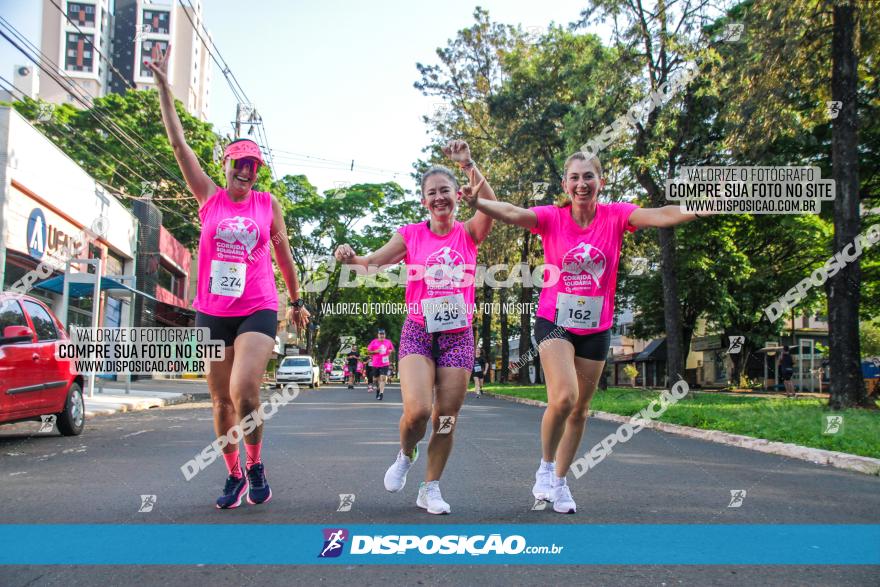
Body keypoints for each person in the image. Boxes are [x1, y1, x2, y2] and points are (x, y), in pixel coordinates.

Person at [460, 151, 703, 514]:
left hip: (597, 326)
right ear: (565, 185)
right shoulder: (551, 218)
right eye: (574, 178)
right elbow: (511, 212)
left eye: (588, 176)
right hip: (554, 320)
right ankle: (544, 468)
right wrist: (478, 200)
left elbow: (664, 215)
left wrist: (700, 206)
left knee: (581, 410)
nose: (581, 184)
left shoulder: (617, 215)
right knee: (564, 397)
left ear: (600, 182)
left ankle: (560, 482)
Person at [148, 46, 309, 509]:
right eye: (238, 163)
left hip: (257, 306)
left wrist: (295, 301)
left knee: (244, 390)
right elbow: (179, 145)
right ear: (226, 167)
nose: (244, 171)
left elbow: (283, 255)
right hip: (211, 311)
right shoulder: (209, 198)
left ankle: (256, 462)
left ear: (258, 171)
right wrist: (163, 86)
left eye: (252, 165)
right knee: (220, 402)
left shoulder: (267, 205)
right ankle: (235, 474)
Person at [334, 140, 496, 514]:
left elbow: (489, 203)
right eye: (431, 193)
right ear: (424, 201)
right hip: (419, 330)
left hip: (458, 334)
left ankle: (431, 487)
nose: (439, 198)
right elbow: (370, 263)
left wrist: (469, 163)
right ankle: (406, 454)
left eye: (445, 191)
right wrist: (350, 257)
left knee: (446, 417)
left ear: (458, 195)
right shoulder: (410, 235)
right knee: (419, 411)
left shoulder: (470, 232)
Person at [367, 328, 395, 400]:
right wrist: (375, 351)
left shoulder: (388, 342)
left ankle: (381, 393)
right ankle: (378, 389)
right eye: (380, 334)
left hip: (385, 363)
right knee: (375, 380)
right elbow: (368, 351)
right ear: (378, 335)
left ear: (385, 335)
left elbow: (392, 349)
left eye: (383, 334)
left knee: (383, 378)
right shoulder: (374, 342)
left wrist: (390, 351)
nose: (382, 335)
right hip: (376, 363)